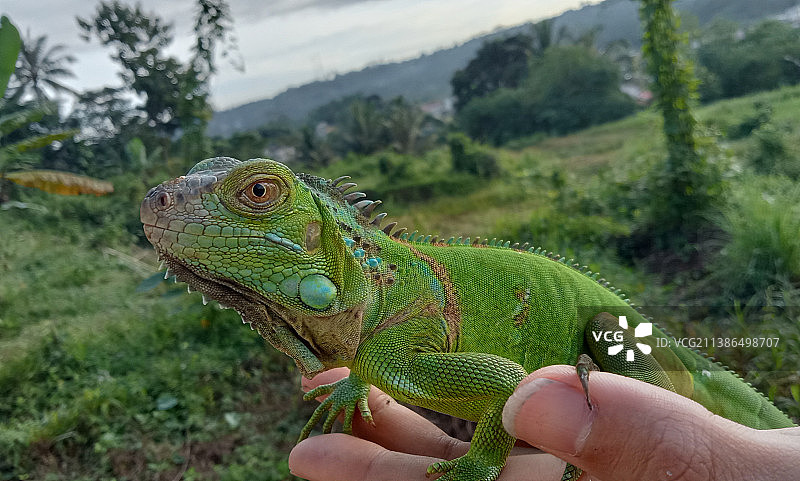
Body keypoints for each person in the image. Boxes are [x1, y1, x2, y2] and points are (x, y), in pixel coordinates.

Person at [288, 366, 800, 481]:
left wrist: (481, 462)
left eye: (258, 194)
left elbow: (506, 383)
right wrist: (360, 378)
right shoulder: (372, 342)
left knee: (702, 391)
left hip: (610, 329)